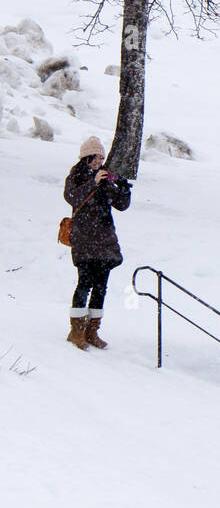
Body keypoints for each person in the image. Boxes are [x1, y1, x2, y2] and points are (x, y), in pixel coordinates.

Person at [63, 136, 131, 351]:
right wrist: (93, 183)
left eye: (101, 157)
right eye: (96, 157)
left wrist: (122, 187)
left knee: (101, 286)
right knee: (84, 283)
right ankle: (76, 330)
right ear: (86, 157)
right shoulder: (77, 176)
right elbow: (71, 197)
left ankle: (92, 330)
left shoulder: (105, 179)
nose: (99, 161)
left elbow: (121, 205)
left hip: (104, 240)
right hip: (84, 239)